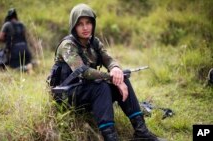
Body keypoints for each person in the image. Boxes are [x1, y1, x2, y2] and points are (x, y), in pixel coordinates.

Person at [52, 3, 165, 141]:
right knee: (102, 85)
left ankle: (141, 131)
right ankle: (110, 137)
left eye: (88, 22)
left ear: (93, 23)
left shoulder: (94, 42)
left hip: (88, 90)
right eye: (80, 24)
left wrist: (116, 70)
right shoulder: (68, 45)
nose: (85, 27)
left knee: (122, 77)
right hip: (66, 95)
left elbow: (108, 59)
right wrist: (111, 78)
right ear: (73, 26)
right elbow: (83, 72)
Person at [0, 8, 33, 73]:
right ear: (16, 16)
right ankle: (30, 66)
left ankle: (26, 68)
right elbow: (25, 37)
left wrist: (7, 41)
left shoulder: (7, 24)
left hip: (15, 51)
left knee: (14, 69)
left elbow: (0, 38)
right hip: (25, 49)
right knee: (26, 62)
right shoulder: (21, 24)